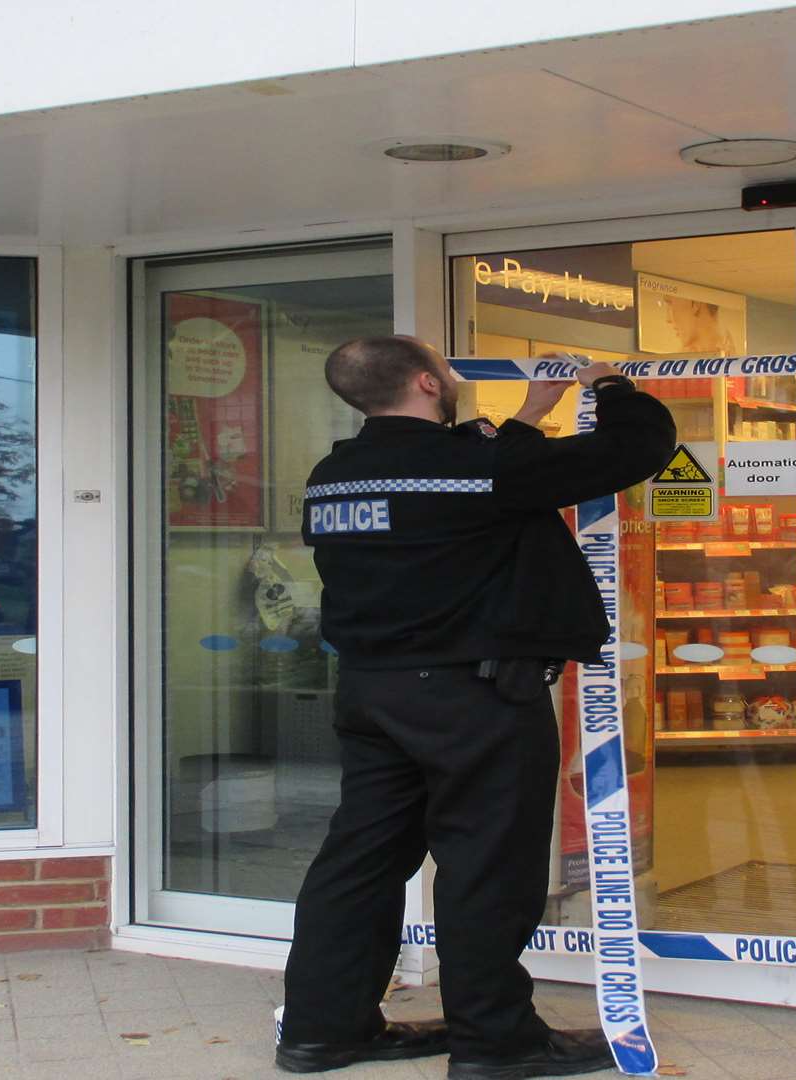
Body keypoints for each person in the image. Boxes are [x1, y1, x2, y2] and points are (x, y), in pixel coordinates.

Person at [275, 336, 675, 1078]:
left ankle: (321, 1032)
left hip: (372, 695)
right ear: (429, 382)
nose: (456, 378)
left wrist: (525, 417)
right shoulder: (476, 470)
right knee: (488, 869)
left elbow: (460, 500)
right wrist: (614, 386)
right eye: (450, 371)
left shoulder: (333, 476)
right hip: (473, 698)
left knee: (358, 864)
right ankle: (497, 1045)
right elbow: (634, 449)